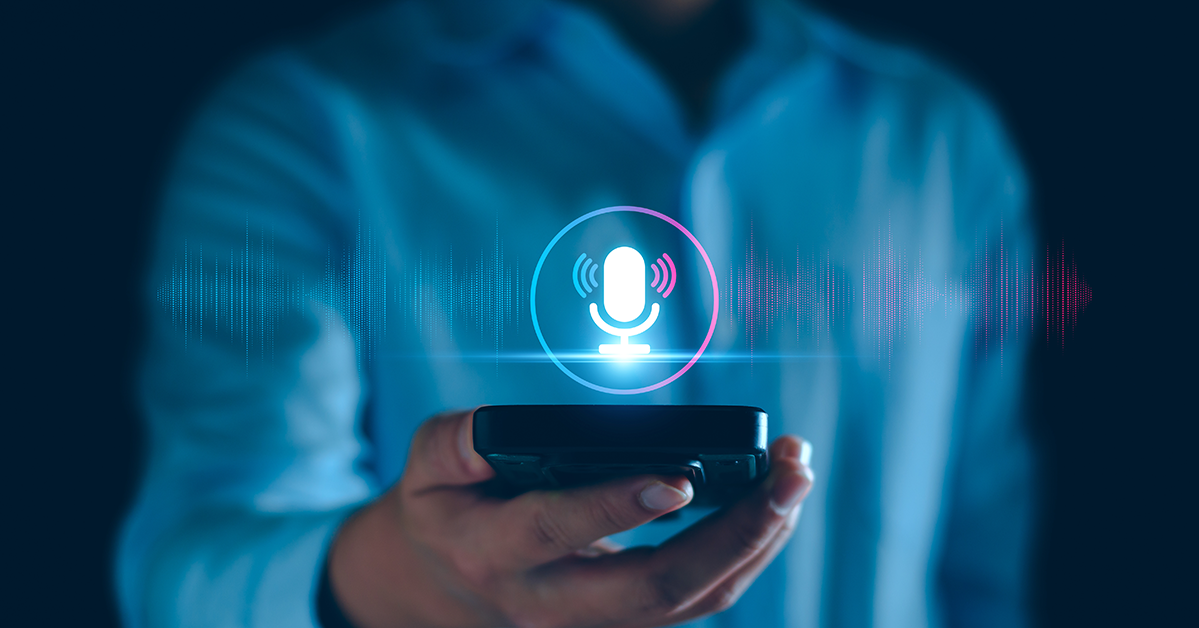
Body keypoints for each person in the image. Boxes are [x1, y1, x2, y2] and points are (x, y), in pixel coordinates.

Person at [118, 0, 1035, 626]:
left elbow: (982, 547)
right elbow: (191, 571)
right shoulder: (309, 124)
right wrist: (407, 578)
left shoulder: (936, 136)